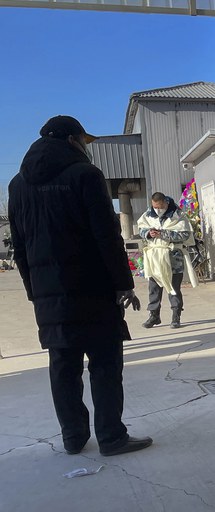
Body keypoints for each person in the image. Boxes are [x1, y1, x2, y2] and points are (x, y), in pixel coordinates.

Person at [8, 115, 152, 456]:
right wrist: (122, 283)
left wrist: (35, 292)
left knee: (63, 365)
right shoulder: (85, 175)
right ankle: (111, 437)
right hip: (92, 288)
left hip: (48, 295)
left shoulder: (17, 185)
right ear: (72, 140)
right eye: (83, 142)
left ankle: (73, 437)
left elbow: (19, 246)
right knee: (104, 363)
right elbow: (107, 235)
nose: (86, 149)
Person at [137, 192, 196, 329]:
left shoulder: (178, 215)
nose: (157, 210)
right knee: (154, 288)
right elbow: (141, 228)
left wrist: (163, 234)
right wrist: (148, 233)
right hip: (154, 257)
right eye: (155, 207)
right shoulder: (148, 214)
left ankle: (176, 316)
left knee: (174, 287)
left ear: (165, 203)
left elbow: (185, 234)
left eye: (160, 207)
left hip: (173, 256)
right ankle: (154, 315)